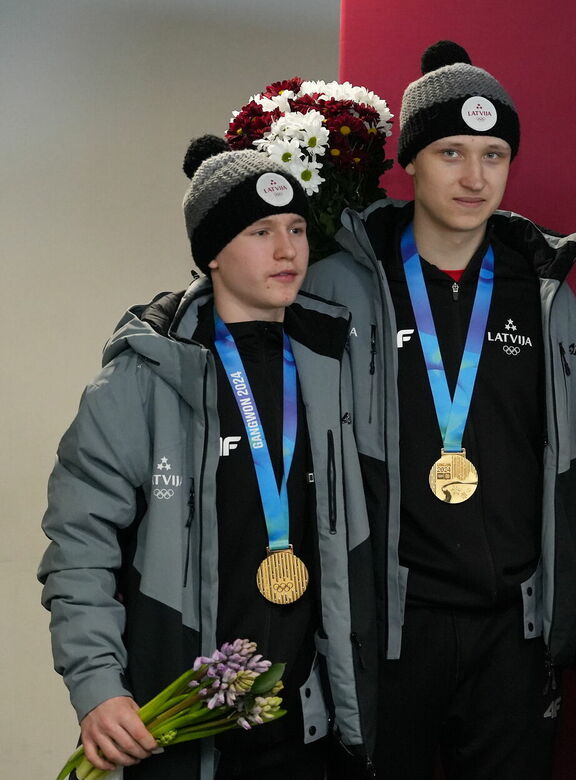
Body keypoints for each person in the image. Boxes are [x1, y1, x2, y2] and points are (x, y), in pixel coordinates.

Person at [38, 136, 376, 778]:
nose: (287, 250)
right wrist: (98, 687)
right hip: (176, 731)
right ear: (212, 254)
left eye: (297, 228)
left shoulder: (334, 367)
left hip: (304, 730)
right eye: (260, 230)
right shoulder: (142, 381)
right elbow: (79, 549)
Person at [302, 40, 576, 778]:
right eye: (451, 153)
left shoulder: (544, 290)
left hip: (512, 627)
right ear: (410, 161)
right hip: (393, 621)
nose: (474, 177)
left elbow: (573, 450)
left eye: (494, 155)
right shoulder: (339, 285)